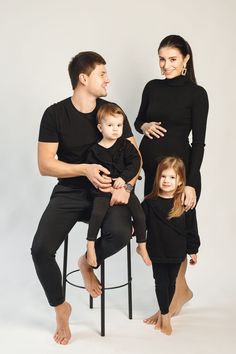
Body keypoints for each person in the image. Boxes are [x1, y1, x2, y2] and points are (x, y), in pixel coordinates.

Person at [31, 51, 140, 345]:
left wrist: (126, 187)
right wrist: (84, 169)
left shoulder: (112, 111)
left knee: (120, 233)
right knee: (40, 250)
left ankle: (86, 262)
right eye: (102, 74)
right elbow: (45, 164)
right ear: (83, 78)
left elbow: (135, 157)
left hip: (107, 192)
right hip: (71, 191)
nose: (108, 79)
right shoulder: (55, 114)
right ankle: (61, 308)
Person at [134, 34, 209, 321]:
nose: (166, 65)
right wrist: (145, 124)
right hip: (154, 175)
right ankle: (181, 291)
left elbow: (199, 142)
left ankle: (176, 295)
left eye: (173, 59)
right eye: (162, 60)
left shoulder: (197, 94)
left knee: (177, 234)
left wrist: (190, 182)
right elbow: (139, 118)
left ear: (186, 59)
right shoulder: (152, 87)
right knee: (158, 232)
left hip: (180, 176)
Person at [85, 102, 151, 267]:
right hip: (102, 191)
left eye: (119, 125)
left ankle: (142, 245)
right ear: (100, 128)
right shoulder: (94, 150)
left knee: (141, 215)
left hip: (123, 189)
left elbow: (135, 162)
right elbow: (91, 171)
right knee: (97, 214)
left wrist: (124, 179)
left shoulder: (125, 145)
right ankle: (91, 244)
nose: (116, 129)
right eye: (110, 125)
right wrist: (102, 183)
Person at [142, 157, 200, 335]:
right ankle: (165, 316)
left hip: (177, 253)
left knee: (171, 284)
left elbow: (191, 229)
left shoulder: (184, 203)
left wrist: (193, 250)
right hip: (157, 252)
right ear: (157, 178)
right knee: (160, 283)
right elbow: (138, 224)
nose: (167, 181)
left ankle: (163, 310)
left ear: (180, 180)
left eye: (172, 177)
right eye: (163, 176)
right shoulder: (149, 203)